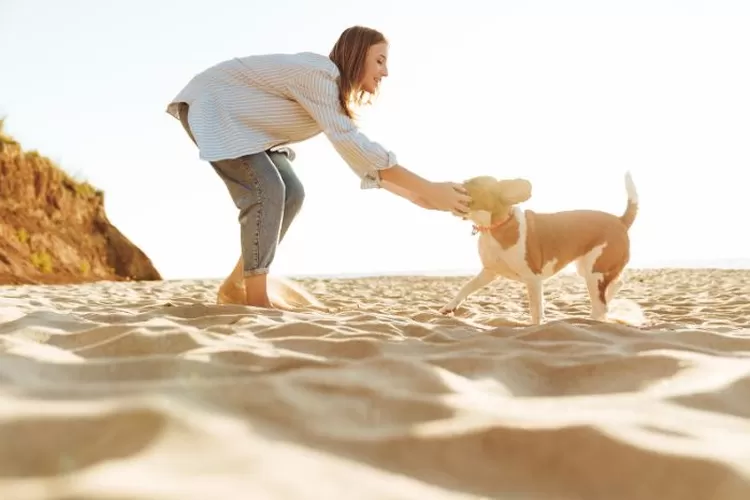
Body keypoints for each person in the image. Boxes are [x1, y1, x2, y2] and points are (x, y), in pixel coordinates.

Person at [166, 25, 471, 309]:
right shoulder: (320, 76)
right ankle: (256, 301)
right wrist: (428, 188)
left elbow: (362, 161)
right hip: (213, 107)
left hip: (244, 125)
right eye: (379, 61)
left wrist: (429, 199)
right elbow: (355, 146)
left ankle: (236, 286)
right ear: (356, 55)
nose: (386, 72)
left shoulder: (330, 94)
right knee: (268, 188)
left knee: (292, 192)